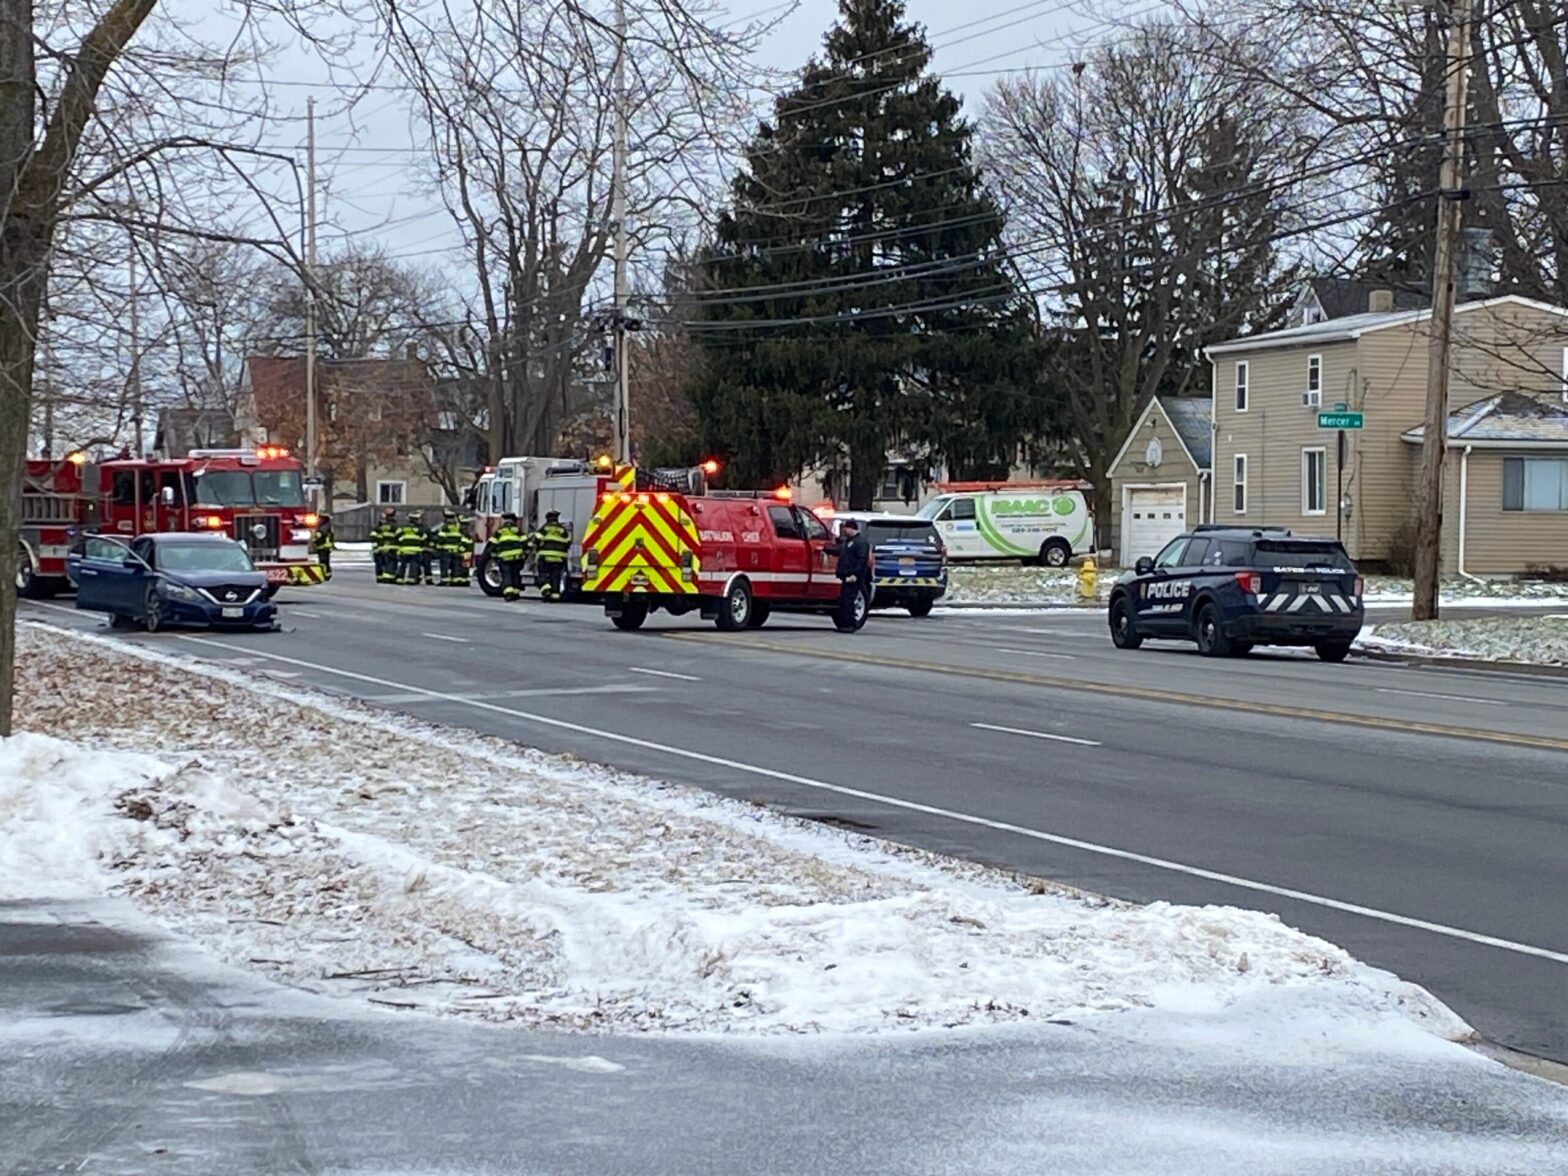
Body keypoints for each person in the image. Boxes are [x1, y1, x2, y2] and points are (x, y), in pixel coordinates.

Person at [825, 518, 870, 633]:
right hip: (846, 576)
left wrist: (855, 574)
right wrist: (826, 549)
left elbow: (862, 560)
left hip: (853, 577)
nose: (844, 530)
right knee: (844, 600)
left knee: (849, 601)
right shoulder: (849, 542)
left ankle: (851, 624)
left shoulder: (860, 543)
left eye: (846, 528)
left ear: (851, 528)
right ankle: (845, 624)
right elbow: (840, 551)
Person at [532, 509, 572, 601]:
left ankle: (546, 589)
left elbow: (536, 539)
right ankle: (555, 595)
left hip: (545, 557)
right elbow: (568, 542)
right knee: (556, 576)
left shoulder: (545, 528)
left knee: (542, 575)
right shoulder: (562, 530)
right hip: (559, 558)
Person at [489, 512, 529, 601]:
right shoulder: (518, 531)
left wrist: (495, 556)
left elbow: (492, 545)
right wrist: (525, 555)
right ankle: (516, 592)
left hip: (504, 558)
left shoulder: (499, 531)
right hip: (516, 558)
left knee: (507, 575)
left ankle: (508, 593)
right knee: (515, 574)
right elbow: (526, 543)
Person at [396, 510, 430, 585]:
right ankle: (411, 578)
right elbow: (424, 538)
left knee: (403, 564)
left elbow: (397, 535)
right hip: (415, 551)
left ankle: (399, 578)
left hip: (404, 550)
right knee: (414, 565)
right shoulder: (420, 530)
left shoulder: (403, 528)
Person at [437, 509, 468, 587]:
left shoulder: (445, 527)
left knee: (445, 566)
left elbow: (441, 538)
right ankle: (455, 580)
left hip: (446, 551)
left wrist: (438, 547)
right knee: (455, 565)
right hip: (456, 550)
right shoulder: (457, 527)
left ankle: (444, 581)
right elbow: (462, 539)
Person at [371, 507, 400, 584]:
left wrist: (375, 547)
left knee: (380, 563)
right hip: (392, 548)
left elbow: (373, 535)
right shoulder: (395, 526)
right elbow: (399, 537)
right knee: (391, 563)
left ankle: (380, 577)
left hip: (380, 548)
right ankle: (389, 577)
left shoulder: (379, 525)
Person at [310, 513, 336, 580]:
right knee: (325, 562)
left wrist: (314, 540)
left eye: (320, 519)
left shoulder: (323, 528)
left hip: (323, 547)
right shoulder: (327, 526)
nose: (319, 520)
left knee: (323, 562)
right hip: (325, 547)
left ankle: (325, 574)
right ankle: (327, 574)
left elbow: (319, 537)